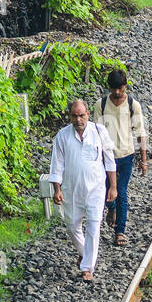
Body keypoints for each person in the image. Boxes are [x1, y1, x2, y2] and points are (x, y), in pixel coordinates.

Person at [48, 99, 116, 282]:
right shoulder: (62, 136)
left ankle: (87, 268)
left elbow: (109, 160)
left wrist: (113, 187)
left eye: (82, 115)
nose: (79, 120)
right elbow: (57, 164)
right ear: (70, 116)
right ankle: (86, 253)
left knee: (94, 225)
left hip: (96, 188)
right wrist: (57, 189)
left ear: (88, 115)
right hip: (71, 189)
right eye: (75, 116)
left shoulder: (99, 132)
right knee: (72, 226)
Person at [94, 69, 148, 247]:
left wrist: (143, 159)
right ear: (109, 88)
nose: (117, 93)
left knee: (122, 191)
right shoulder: (100, 105)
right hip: (106, 156)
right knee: (108, 191)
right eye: (114, 89)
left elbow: (140, 133)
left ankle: (120, 231)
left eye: (121, 89)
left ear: (125, 86)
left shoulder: (133, 105)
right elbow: (94, 134)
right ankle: (112, 210)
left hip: (126, 154)